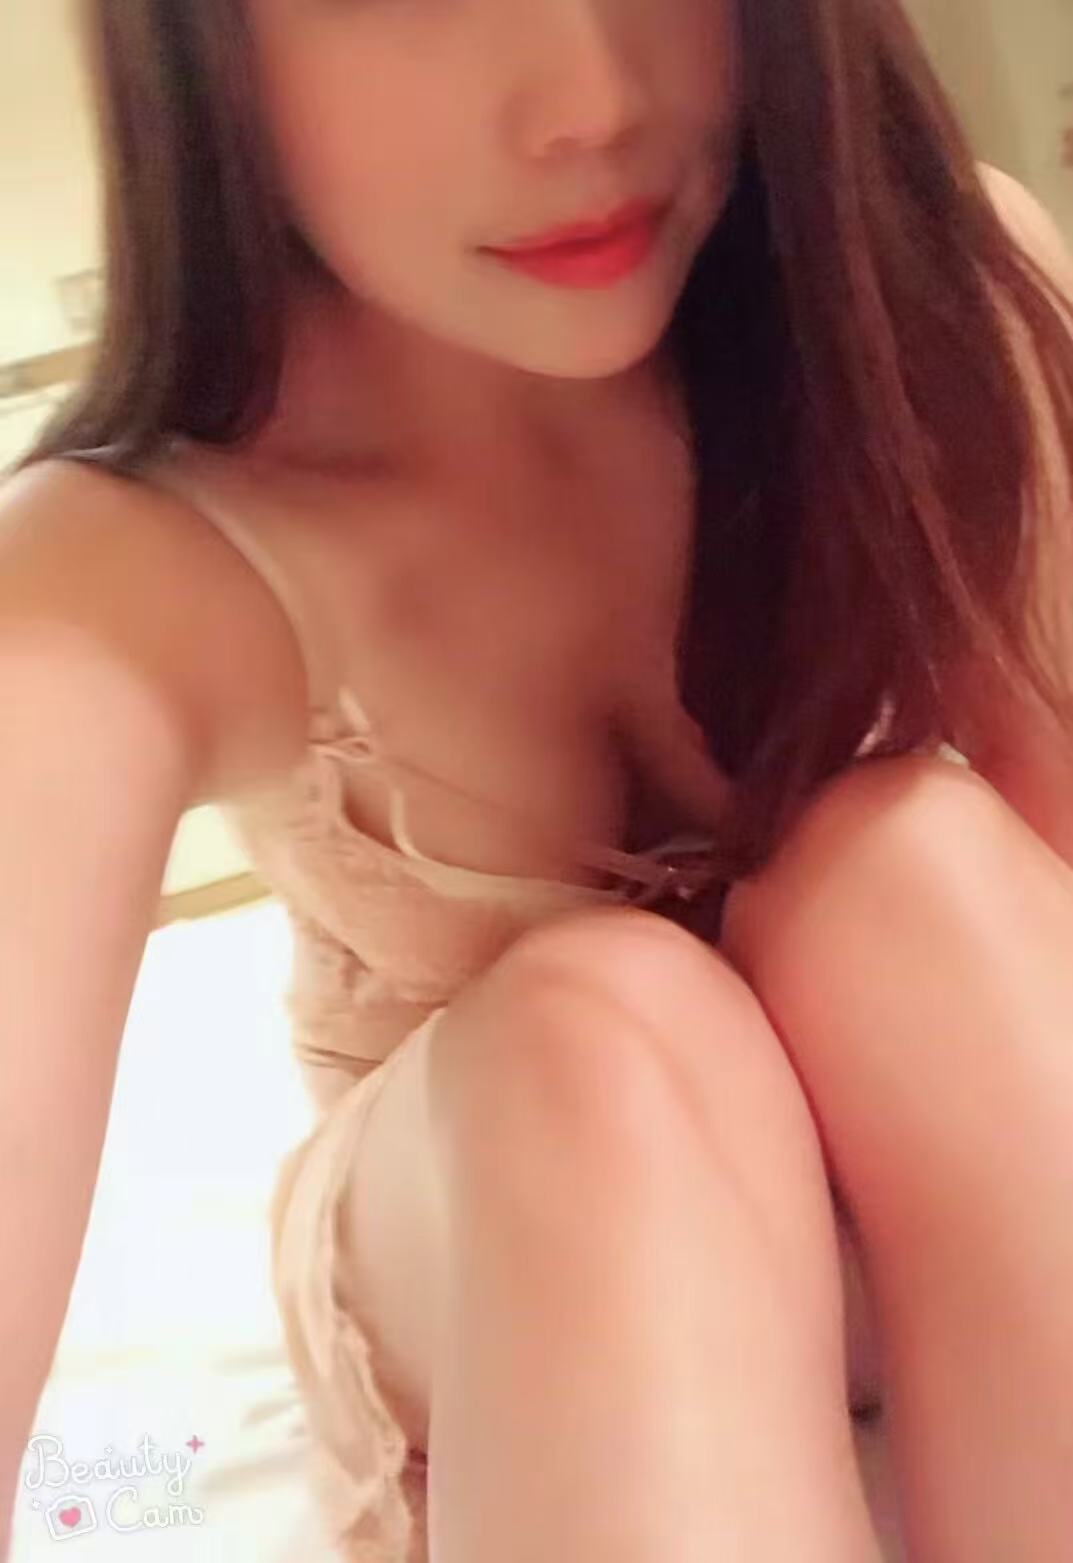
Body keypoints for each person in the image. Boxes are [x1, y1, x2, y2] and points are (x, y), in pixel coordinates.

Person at [2, 0, 1073, 1557]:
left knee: (914, 862)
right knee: (602, 1030)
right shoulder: (122, 578)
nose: (589, 101)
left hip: (905, 1175)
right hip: (502, 1229)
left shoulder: (933, 291)